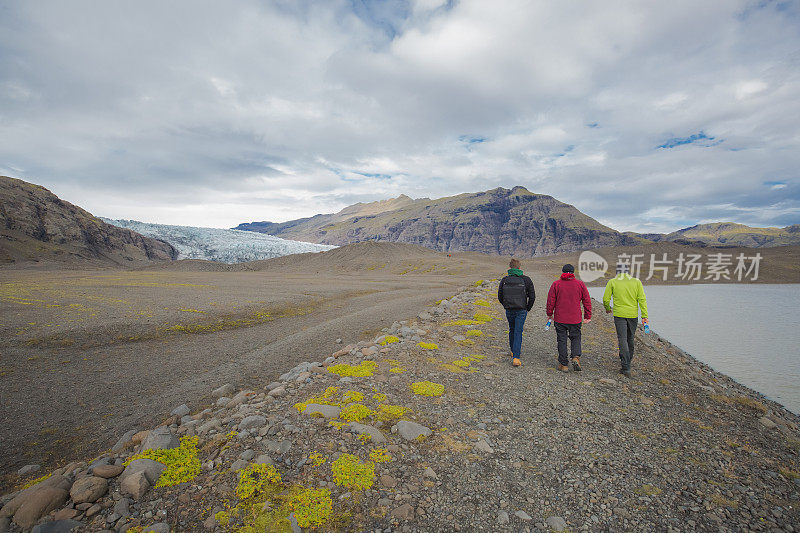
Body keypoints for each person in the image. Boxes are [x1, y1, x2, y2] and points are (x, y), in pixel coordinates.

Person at [602, 262, 649, 378]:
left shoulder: (612, 282)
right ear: (628, 271)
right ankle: (628, 362)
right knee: (630, 338)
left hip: (619, 315)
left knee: (622, 339)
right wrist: (644, 316)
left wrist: (608, 309)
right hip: (633, 315)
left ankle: (626, 366)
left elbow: (605, 299)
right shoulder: (636, 282)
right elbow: (642, 299)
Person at [546, 264, 592, 372]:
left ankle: (564, 365)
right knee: (575, 337)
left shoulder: (556, 284)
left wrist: (549, 313)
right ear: (573, 272)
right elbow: (586, 300)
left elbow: (550, 301)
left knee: (562, 340)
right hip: (575, 318)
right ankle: (575, 357)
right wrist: (587, 316)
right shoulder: (580, 284)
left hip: (560, 318)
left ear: (563, 272)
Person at [497, 258, 535, 367]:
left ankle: (513, 350)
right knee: (518, 331)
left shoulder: (504, 280)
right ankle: (516, 357)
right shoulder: (526, 280)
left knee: (512, 329)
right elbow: (532, 296)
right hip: (521, 309)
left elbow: (500, 296)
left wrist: (506, 305)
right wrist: (527, 308)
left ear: (510, 268)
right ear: (519, 268)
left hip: (509, 309)